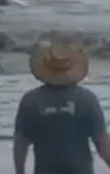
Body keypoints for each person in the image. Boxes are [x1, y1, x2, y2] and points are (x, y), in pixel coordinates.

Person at [13, 40, 110, 174]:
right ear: (71, 68)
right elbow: (102, 144)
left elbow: (21, 144)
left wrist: (20, 172)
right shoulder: (87, 99)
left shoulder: (30, 101)